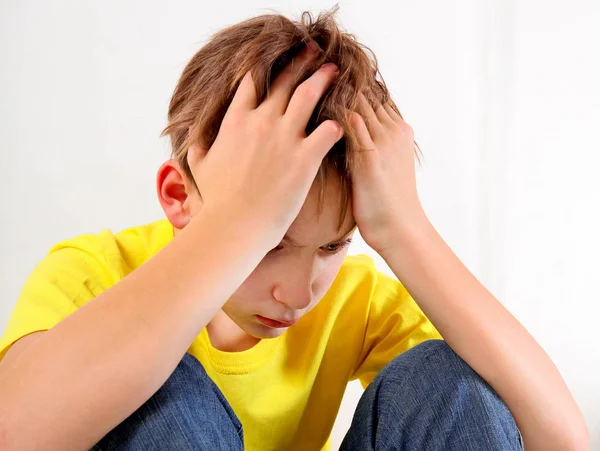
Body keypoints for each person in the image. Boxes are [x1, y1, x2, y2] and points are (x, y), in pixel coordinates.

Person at [0, 7, 588, 451]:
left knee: (449, 376)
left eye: (332, 245)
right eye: (271, 244)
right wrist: (237, 225)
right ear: (179, 196)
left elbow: (561, 441)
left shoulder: (356, 302)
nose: (299, 292)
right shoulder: (94, 273)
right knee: (147, 380)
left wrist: (406, 230)